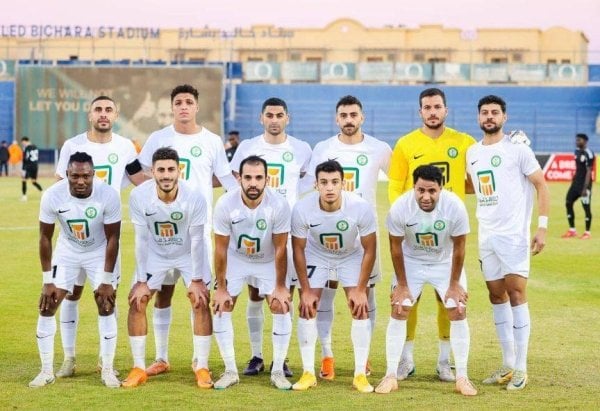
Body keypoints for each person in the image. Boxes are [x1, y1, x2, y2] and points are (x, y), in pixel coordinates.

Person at [139, 84, 237, 376]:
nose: (183, 106)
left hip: (198, 231)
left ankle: (199, 360)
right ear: (172, 107)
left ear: (197, 106)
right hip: (162, 233)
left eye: (188, 102)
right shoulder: (158, 138)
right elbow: (143, 173)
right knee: (162, 294)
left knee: (199, 295)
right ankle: (161, 357)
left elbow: (226, 179)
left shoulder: (211, 140)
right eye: (178, 102)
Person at [53, 95, 146, 379]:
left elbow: (139, 180)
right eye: (98, 109)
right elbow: (59, 186)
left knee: (107, 297)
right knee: (70, 295)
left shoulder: (125, 147)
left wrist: (173, 185)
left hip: (106, 238)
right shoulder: (73, 146)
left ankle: (106, 362)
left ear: (116, 115)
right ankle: (69, 358)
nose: (103, 114)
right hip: (74, 235)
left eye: (108, 109)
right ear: (90, 114)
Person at [386, 87, 476, 382]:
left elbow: (478, 178)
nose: (433, 112)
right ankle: (406, 360)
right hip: (414, 231)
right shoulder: (406, 143)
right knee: (407, 300)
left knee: (447, 299)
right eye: (427, 107)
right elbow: (396, 184)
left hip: (448, 230)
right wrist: (406, 220)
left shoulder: (464, 142)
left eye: (437, 107)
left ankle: (444, 361)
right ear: (420, 111)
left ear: (446, 110)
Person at [466, 94, 549, 391]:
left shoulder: (518, 149)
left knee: (516, 293)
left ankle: (522, 369)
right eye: (485, 112)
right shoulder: (472, 152)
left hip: (514, 235)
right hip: (486, 235)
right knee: (496, 295)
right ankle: (508, 363)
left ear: (505, 117)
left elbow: (541, 185)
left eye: (495, 112)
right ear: (478, 117)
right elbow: (472, 186)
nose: (489, 116)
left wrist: (542, 228)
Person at [306, 95, 391, 380]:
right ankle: (327, 355)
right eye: (343, 115)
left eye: (353, 115)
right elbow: (310, 185)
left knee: (366, 295)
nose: (349, 120)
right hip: (328, 235)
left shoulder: (379, 148)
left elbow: (400, 181)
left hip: (363, 236)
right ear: (336, 119)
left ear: (362, 117)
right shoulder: (323, 148)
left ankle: (363, 359)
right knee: (326, 294)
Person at [374, 165, 476, 396]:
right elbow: (395, 247)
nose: (426, 196)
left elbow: (460, 247)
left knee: (457, 308)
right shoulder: (400, 207)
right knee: (400, 307)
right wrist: (402, 285)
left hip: (444, 261)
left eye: (432, 191)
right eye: (421, 190)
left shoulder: (455, 207)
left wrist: (454, 284)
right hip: (412, 261)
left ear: (441, 189)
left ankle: (462, 377)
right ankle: (390, 375)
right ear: (414, 187)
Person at [229, 97, 312, 378]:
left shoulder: (301, 148)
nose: (274, 120)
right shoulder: (247, 147)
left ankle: (281, 358)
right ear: (261, 118)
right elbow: (237, 181)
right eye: (269, 115)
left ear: (288, 118)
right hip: (255, 228)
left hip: (287, 229)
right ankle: (256, 356)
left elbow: (306, 180)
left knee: (283, 294)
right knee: (254, 293)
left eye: (279, 115)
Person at [122, 147, 213, 389]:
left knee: (200, 299)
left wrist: (196, 279)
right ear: (152, 172)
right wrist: (142, 281)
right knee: (137, 300)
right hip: (156, 254)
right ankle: (140, 367)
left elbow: (197, 239)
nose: (166, 175)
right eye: (160, 170)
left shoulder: (194, 197)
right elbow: (141, 239)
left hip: (187, 253)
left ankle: (202, 366)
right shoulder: (139, 196)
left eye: (171, 169)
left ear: (179, 171)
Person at [29, 152, 121, 388]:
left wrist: (107, 280)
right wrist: (47, 280)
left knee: (106, 303)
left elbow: (113, 238)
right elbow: (45, 238)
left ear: (93, 175)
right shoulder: (52, 195)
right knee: (48, 304)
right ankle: (47, 370)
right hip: (68, 250)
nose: (81, 181)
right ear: (67, 174)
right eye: (75, 176)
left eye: (86, 176)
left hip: (99, 250)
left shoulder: (108, 194)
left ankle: (107, 369)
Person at [291, 160, 377, 393]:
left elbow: (370, 248)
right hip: (317, 254)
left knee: (360, 307)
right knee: (307, 306)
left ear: (343, 184)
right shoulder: (302, 208)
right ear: (316, 185)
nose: (329, 187)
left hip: (350, 255)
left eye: (334, 182)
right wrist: (305, 290)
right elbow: (298, 249)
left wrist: (360, 289)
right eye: (324, 182)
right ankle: (308, 372)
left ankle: (360, 374)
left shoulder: (360, 207)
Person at [212, 155, 292, 390]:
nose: (253, 183)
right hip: (236, 259)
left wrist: (280, 287)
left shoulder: (279, 204)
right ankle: (230, 371)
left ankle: (278, 371)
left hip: (267, 260)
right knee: (221, 306)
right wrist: (221, 288)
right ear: (239, 179)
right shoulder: (225, 204)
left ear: (267, 179)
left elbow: (280, 248)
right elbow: (220, 249)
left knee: (280, 305)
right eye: (248, 177)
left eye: (258, 178)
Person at [561, 133, 595, 239]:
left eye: (579, 140)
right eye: (576, 140)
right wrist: (574, 179)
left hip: (585, 185)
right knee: (568, 202)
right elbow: (579, 168)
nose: (577, 142)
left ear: (585, 141)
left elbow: (589, 171)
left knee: (586, 208)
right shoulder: (576, 151)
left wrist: (585, 188)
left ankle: (587, 232)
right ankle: (572, 230)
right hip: (575, 184)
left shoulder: (589, 153)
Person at [20, 136, 43, 201]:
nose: (23, 144)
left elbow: (25, 159)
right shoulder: (35, 147)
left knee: (24, 180)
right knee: (33, 181)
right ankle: (43, 192)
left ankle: (24, 196)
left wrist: (23, 169)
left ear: (25, 141)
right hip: (35, 166)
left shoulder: (27, 148)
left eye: (23, 143)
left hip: (29, 166)